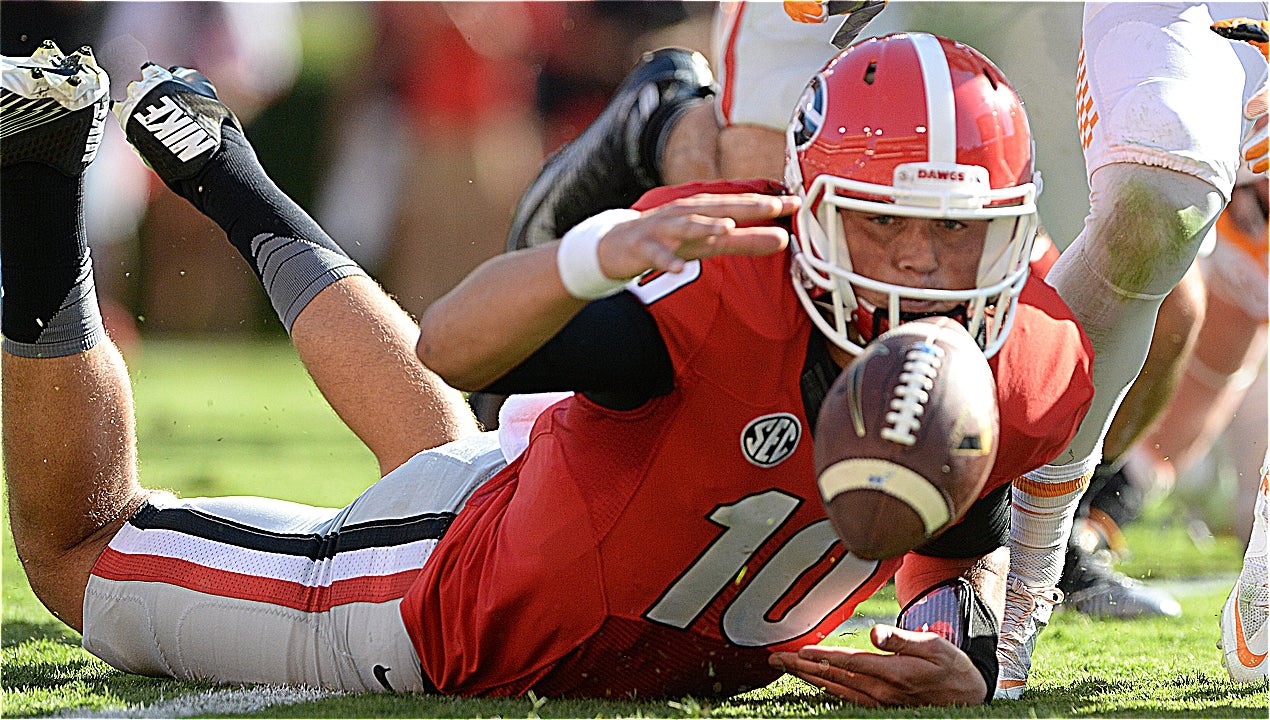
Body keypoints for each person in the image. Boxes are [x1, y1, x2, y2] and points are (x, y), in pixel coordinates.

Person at [3, 34, 1092, 705]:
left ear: (1014, 233)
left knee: (442, 455)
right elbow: (455, 345)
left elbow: (957, 550)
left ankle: (228, 175)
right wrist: (591, 256)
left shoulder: (1025, 363)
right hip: (439, 610)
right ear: (811, 212)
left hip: (556, 540)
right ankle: (41, 180)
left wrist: (965, 650)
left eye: (957, 233)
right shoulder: (719, 296)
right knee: (75, 555)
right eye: (885, 225)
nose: (921, 270)